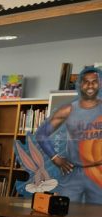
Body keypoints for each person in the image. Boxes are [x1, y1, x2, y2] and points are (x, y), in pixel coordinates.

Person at [35, 66, 102, 204]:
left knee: (97, 214)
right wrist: (55, 158)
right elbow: (41, 134)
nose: (90, 85)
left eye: (94, 81)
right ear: (80, 85)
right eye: (86, 81)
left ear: (100, 84)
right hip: (73, 171)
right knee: (65, 210)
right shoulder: (68, 110)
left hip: (98, 172)